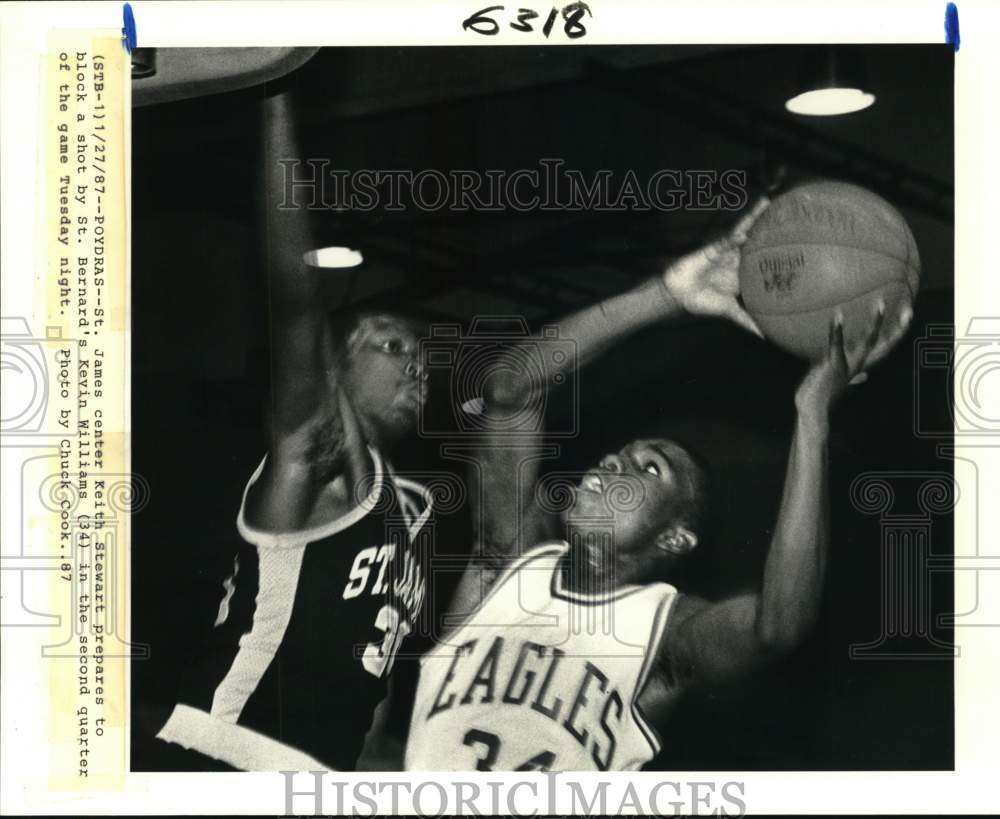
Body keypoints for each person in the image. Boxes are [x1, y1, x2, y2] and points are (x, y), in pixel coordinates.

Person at [403, 203, 910, 771]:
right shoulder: (506, 565)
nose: (615, 464)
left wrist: (812, 415)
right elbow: (510, 389)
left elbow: (778, 626)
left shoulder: (666, 634)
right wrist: (666, 294)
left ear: (675, 538)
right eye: (620, 455)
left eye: (649, 469)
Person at [153, 77, 433, 771]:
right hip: (226, 755)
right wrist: (274, 91)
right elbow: (296, 303)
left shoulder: (412, 509)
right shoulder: (324, 450)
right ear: (333, 367)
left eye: (424, 357)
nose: (417, 366)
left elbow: (372, 688)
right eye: (392, 345)